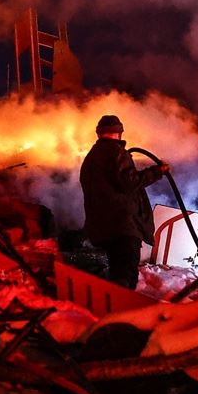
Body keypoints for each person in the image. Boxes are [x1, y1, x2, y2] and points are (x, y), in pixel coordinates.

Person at [79, 114, 168, 287]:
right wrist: (158, 171)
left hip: (102, 228)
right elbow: (130, 182)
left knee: (116, 274)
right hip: (122, 228)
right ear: (119, 133)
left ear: (99, 133)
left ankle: (114, 309)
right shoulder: (115, 152)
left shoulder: (90, 158)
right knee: (125, 276)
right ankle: (124, 311)